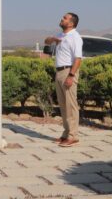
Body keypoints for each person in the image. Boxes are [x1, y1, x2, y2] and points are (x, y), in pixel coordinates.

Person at [44, 12, 83, 147]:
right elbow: (46, 42)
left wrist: (71, 76)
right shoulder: (61, 35)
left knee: (71, 105)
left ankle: (73, 136)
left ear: (71, 23)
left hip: (68, 71)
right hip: (59, 72)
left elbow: (78, 59)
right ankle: (66, 134)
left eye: (65, 18)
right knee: (63, 105)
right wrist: (53, 39)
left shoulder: (75, 37)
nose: (62, 19)